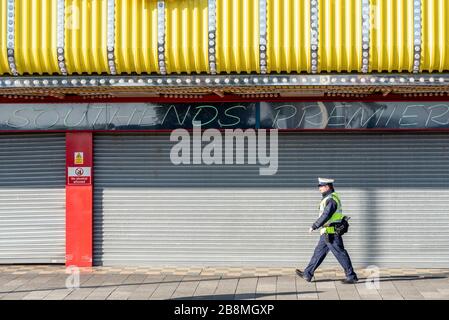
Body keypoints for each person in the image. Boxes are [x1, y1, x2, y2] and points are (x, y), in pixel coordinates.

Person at [296, 177, 358, 284]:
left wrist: (314, 226)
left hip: (331, 232)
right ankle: (307, 273)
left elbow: (326, 215)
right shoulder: (328, 198)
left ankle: (351, 276)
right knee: (318, 253)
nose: (319, 188)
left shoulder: (332, 199)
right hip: (326, 232)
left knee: (340, 253)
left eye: (321, 186)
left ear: (327, 186)